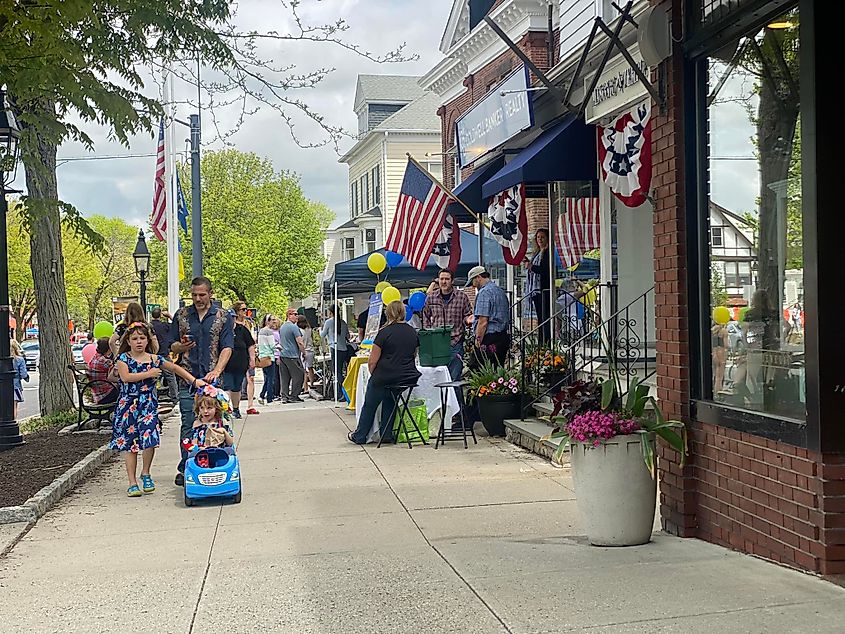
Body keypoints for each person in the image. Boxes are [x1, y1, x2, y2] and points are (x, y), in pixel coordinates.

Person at [111, 322, 204, 497]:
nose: (139, 342)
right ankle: (132, 481)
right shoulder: (123, 359)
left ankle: (146, 473)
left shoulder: (154, 359)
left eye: (142, 338)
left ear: (147, 340)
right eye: (135, 338)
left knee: (149, 438)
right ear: (128, 341)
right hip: (128, 405)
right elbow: (126, 377)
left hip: (148, 404)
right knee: (130, 444)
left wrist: (193, 381)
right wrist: (148, 374)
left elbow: (175, 368)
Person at [169, 276, 234, 485]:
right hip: (188, 378)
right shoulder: (181, 316)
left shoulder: (223, 316)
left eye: (202, 294)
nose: (198, 298)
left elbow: (227, 347)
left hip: (213, 381)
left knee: (215, 422)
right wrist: (181, 347)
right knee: (189, 422)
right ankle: (187, 465)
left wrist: (217, 370)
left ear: (210, 294)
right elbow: (171, 346)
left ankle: (217, 461)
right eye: (194, 295)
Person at [348, 300, 421, 444]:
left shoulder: (384, 332)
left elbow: (373, 360)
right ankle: (386, 433)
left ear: (388, 313)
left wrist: (373, 374)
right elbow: (414, 354)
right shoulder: (412, 331)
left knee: (370, 404)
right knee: (390, 400)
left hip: (385, 374)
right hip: (405, 376)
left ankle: (360, 434)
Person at [466, 265, 511, 366]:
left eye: (473, 281)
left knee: (479, 371)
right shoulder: (500, 291)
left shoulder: (484, 292)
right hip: (502, 336)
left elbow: (483, 321)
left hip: (489, 338)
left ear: (478, 277)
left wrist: (478, 341)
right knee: (497, 370)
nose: (473, 285)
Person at [224, 301, 256, 419]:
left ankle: (236, 409)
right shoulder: (223, 331)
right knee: (227, 386)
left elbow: (250, 345)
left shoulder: (242, 329)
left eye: (232, 317)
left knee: (237, 387)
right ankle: (226, 409)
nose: (231, 320)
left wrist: (252, 359)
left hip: (240, 362)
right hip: (226, 364)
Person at [184, 384, 235, 451]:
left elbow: (230, 443)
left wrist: (224, 431)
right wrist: (199, 448)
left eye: (209, 408)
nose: (205, 411)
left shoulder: (221, 422)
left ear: (216, 408)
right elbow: (194, 443)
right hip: (202, 454)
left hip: (220, 454)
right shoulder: (197, 423)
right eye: (202, 408)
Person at [523, 228, 551, 344]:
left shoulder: (548, 253)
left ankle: (546, 341)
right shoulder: (537, 253)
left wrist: (532, 267)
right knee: (540, 318)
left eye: (542, 237)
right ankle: (541, 342)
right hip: (535, 290)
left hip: (543, 290)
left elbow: (545, 270)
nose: (540, 239)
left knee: (545, 318)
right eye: (538, 237)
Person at [321, 304, 350, 401]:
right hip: (344, 348)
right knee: (342, 371)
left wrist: (319, 330)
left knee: (336, 372)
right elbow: (348, 336)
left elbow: (322, 334)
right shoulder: (343, 322)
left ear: (330, 312)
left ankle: (339, 393)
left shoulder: (329, 322)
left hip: (334, 347)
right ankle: (344, 391)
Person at [150, 307, 177, 402]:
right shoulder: (164, 325)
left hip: (152, 356)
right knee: (171, 377)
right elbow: (177, 324)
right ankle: (175, 398)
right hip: (164, 355)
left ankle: (153, 399)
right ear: (160, 315)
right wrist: (169, 315)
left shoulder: (148, 326)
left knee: (151, 379)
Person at [278, 308, 306, 403]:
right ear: (289, 315)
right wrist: (304, 352)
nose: (296, 316)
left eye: (297, 314)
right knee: (299, 375)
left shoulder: (282, 327)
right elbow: (300, 342)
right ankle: (294, 395)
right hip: (292, 355)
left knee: (285, 377)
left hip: (283, 355)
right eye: (294, 314)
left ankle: (284, 396)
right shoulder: (294, 327)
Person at [86, 337, 119, 404]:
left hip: (97, 395)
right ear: (109, 349)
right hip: (106, 395)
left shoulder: (94, 358)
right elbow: (117, 374)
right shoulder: (105, 362)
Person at [257, 314, 278, 405]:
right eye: (272, 320)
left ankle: (261, 395)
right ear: (267, 321)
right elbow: (272, 345)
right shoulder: (269, 331)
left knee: (267, 378)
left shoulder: (261, 331)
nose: (274, 321)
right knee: (271, 378)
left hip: (262, 356)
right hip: (269, 357)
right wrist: (279, 347)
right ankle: (270, 398)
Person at [11, 339, 29, 419]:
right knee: (14, 406)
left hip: (3, 386)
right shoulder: (19, 360)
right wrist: (26, 378)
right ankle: (13, 423)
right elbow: (23, 374)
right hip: (15, 386)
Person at [297, 315, 315, 395]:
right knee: (310, 368)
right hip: (310, 350)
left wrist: (303, 351)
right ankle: (312, 383)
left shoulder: (300, 331)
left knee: (304, 370)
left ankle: (305, 387)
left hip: (303, 351)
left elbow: (301, 342)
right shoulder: (309, 329)